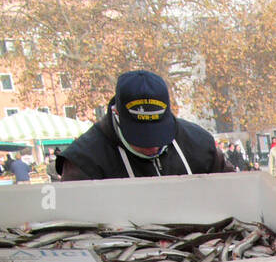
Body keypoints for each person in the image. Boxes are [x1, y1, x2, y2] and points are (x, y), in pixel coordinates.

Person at [57, 70, 234, 180]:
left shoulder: (200, 144)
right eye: (140, 137)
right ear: (116, 114)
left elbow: (234, 188)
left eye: (159, 134)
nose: (152, 146)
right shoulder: (84, 161)